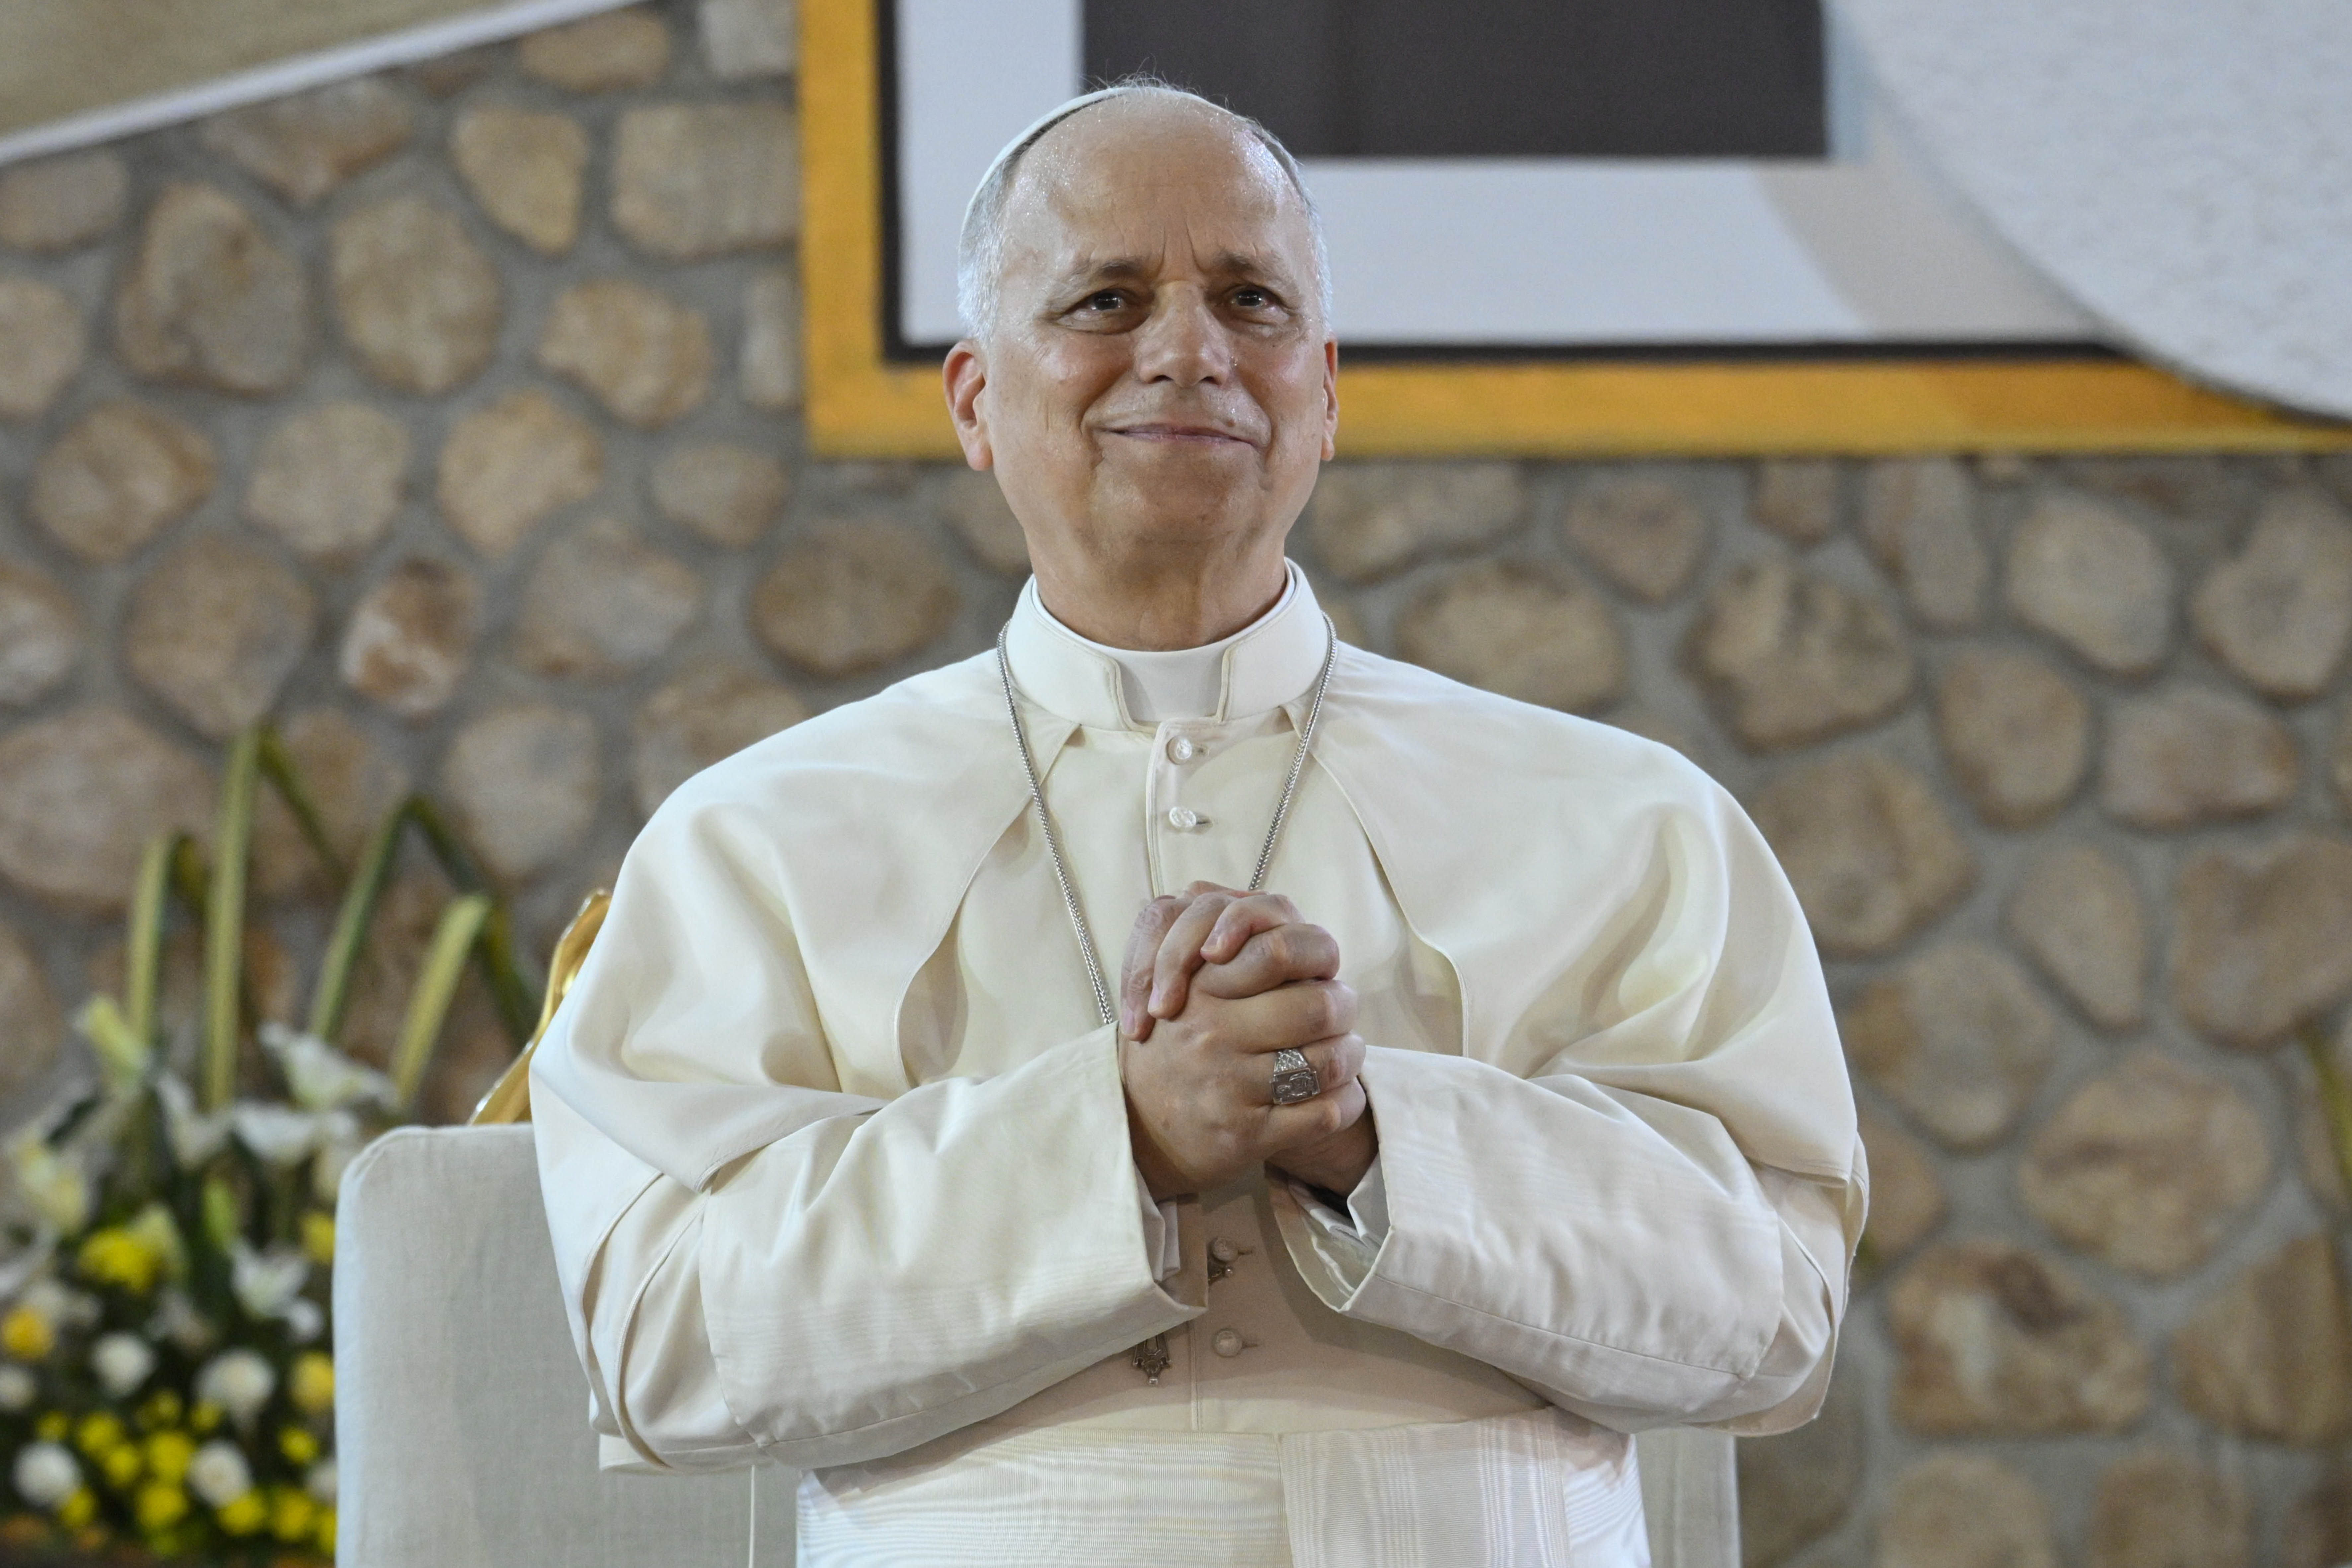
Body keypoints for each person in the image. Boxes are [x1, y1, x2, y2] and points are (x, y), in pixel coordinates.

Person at [530, 81, 1863, 1568]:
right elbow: (659, 1342)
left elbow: (1776, 1315)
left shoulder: (1623, 819)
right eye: (1104, 300)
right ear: (975, 401)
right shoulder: (758, 838)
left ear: (1325, 393)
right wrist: (1119, 1139)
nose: (1187, 350)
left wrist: (1375, 1136)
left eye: (1251, 301)